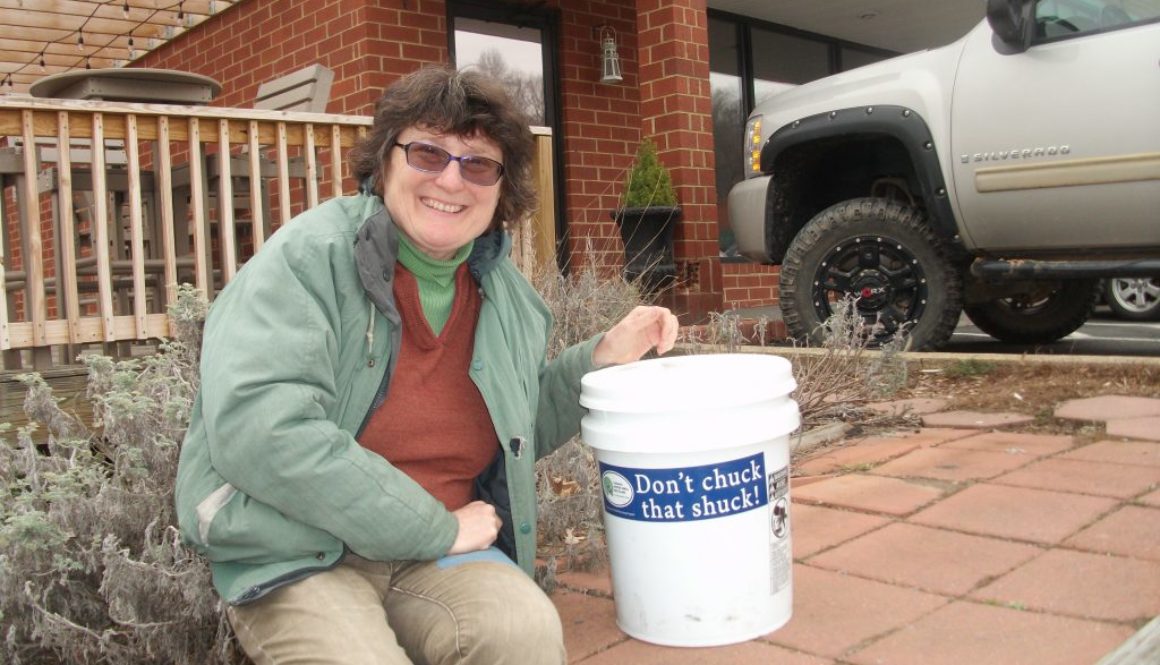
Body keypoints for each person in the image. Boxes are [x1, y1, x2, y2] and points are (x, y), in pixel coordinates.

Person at [174, 65, 679, 664]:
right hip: (299, 546)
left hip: (433, 552)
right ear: (384, 162)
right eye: (427, 153)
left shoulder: (507, 296)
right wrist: (437, 528)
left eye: (478, 163)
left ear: (501, 192)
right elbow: (263, 432)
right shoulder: (306, 261)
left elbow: (511, 425)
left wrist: (599, 360)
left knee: (523, 633)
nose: (451, 179)